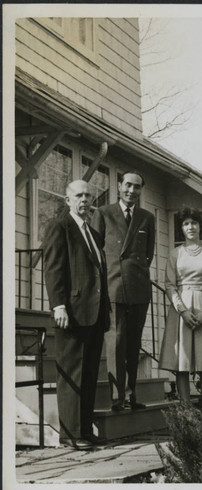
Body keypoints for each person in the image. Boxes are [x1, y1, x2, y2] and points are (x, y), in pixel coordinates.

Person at [43, 180, 110, 450]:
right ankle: (69, 435)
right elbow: (54, 268)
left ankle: (84, 429)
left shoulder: (93, 234)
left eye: (88, 195)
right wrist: (58, 305)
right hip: (71, 312)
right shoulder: (60, 227)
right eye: (78, 195)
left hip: (94, 314)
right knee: (71, 374)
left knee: (89, 373)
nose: (84, 199)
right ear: (67, 200)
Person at [91, 171, 155, 412]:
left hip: (138, 288)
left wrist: (134, 274)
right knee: (116, 342)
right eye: (128, 185)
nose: (132, 191)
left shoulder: (147, 217)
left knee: (133, 344)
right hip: (113, 286)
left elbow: (148, 254)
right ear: (119, 186)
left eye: (137, 187)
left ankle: (131, 395)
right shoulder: (103, 213)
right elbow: (96, 253)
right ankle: (118, 398)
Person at [159, 207, 202, 410]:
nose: (190, 227)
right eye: (186, 223)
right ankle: (186, 413)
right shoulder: (175, 254)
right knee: (182, 364)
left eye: (194, 223)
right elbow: (169, 284)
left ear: (200, 227)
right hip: (181, 308)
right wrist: (182, 310)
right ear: (181, 228)